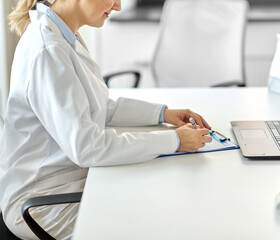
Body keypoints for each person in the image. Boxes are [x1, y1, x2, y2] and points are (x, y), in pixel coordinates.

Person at [0, 0, 212, 239]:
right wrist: (174, 141)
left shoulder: (64, 35)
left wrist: (163, 113)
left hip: (74, 181)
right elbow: (87, 147)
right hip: (45, 203)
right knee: (159, 221)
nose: (119, 6)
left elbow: (98, 107)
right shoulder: (48, 49)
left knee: (163, 197)